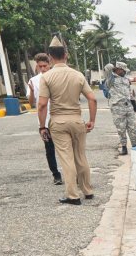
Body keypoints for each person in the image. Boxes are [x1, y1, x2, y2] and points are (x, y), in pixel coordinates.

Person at [37, 36, 97, 205]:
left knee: (66, 158)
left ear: (50, 57)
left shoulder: (47, 77)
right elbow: (92, 99)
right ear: (66, 55)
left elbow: (42, 104)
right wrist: (92, 120)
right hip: (77, 120)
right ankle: (87, 190)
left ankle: (73, 195)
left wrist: (42, 126)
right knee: (80, 156)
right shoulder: (78, 75)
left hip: (58, 121)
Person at [27, 53, 63, 185]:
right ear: (37, 66)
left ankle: (72, 173)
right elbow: (31, 102)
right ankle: (56, 174)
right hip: (44, 121)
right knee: (49, 149)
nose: (42, 69)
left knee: (65, 148)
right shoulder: (34, 81)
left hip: (58, 118)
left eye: (45, 66)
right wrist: (31, 91)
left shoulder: (57, 76)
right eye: (40, 66)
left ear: (50, 64)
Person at [104, 61, 136, 156]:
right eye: (123, 71)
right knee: (121, 129)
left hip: (129, 107)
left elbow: (130, 93)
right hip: (117, 108)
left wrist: (135, 106)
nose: (125, 72)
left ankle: (135, 146)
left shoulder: (126, 80)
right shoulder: (111, 79)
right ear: (119, 70)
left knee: (133, 128)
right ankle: (124, 147)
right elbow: (108, 68)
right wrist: (113, 68)